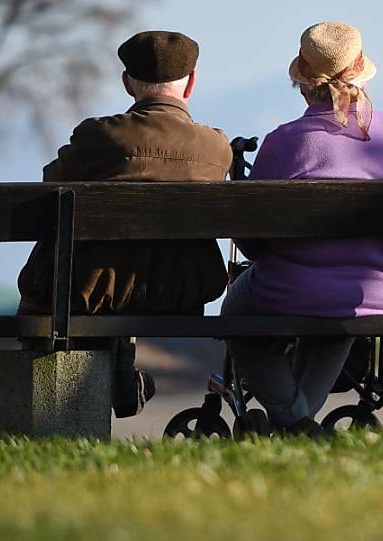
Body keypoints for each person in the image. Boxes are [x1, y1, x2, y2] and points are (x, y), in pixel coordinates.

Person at [18, 31, 232, 418]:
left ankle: (90, 395)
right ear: (192, 82)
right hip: (180, 293)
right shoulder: (215, 148)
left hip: (91, 292)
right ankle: (121, 377)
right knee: (128, 267)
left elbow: (50, 185)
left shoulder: (99, 137)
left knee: (89, 271)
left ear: (127, 83)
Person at [222, 22, 383, 434]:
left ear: (301, 81)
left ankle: (295, 420)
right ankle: (299, 427)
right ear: (361, 72)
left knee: (235, 318)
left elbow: (252, 239)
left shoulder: (282, 142)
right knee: (336, 324)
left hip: (293, 288)